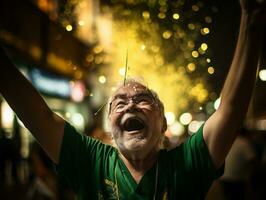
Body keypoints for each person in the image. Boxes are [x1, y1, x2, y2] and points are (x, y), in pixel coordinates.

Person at [0, 0, 265, 199]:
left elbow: (230, 107)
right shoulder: (91, 161)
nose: (130, 103)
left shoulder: (186, 164)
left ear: (162, 123)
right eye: (119, 102)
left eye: (142, 98)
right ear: (109, 129)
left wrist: (251, 19)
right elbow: (36, 114)